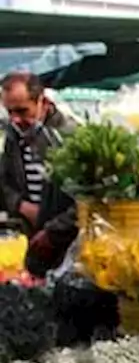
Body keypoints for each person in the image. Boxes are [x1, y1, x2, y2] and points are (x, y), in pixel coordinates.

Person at [0, 72, 76, 277]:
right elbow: (4, 181)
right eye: (10, 112)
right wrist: (22, 206)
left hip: (64, 245)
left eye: (23, 111)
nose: (16, 119)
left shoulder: (69, 136)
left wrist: (53, 230)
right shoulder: (13, 136)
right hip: (30, 240)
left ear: (42, 101)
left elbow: (85, 200)